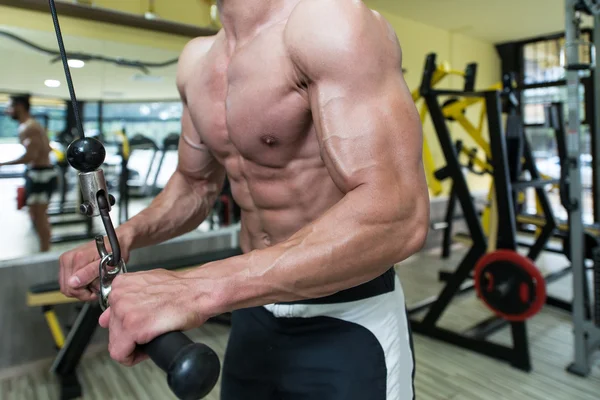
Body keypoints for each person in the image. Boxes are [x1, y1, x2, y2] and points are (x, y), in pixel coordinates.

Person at [59, 0, 430, 398]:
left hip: (347, 316)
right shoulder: (197, 61)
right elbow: (194, 185)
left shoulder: (328, 22)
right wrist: (128, 235)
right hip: (253, 316)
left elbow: (397, 215)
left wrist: (198, 288)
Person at [1, 94, 57, 252]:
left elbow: (31, 156)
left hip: (41, 174)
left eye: (10, 107)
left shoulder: (29, 127)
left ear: (19, 106)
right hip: (38, 172)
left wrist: (3, 163)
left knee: (39, 215)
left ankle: (45, 253)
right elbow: (45, 149)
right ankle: (44, 250)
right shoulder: (31, 126)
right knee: (36, 213)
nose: (7, 111)